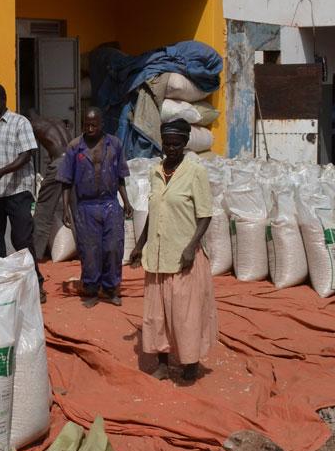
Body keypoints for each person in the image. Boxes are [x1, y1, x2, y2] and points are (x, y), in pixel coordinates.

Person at [127, 119, 216, 383]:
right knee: (157, 314)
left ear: (186, 143)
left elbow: (205, 215)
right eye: (167, 143)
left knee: (184, 315)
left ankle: (190, 364)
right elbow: (154, 214)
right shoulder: (155, 171)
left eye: (177, 144)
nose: (172, 148)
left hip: (182, 257)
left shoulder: (195, 172)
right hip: (156, 255)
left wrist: (191, 247)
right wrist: (140, 244)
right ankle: (163, 363)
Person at [57, 107, 132, 306]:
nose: (90, 128)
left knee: (113, 248)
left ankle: (110, 288)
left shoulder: (114, 144)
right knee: (89, 250)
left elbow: (121, 177)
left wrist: (126, 202)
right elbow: (66, 181)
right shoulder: (75, 147)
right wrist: (65, 209)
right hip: (85, 207)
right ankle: (91, 290)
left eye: (94, 125)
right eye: (86, 125)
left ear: (101, 124)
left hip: (110, 204)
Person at [0, 85, 43, 294]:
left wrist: (3, 171)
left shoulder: (19, 122)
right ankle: (1, 284)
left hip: (18, 190)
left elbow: (27, 154)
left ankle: (36, 284)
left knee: (22, 238)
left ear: (4, 99)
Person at [29, 112, 73, 263]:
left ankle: (35, 254)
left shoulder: (34, 125)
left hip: (59, 164)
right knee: (76, 207)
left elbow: (27, 150)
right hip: (73, 161)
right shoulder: (56, 120)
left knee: (43, 210)